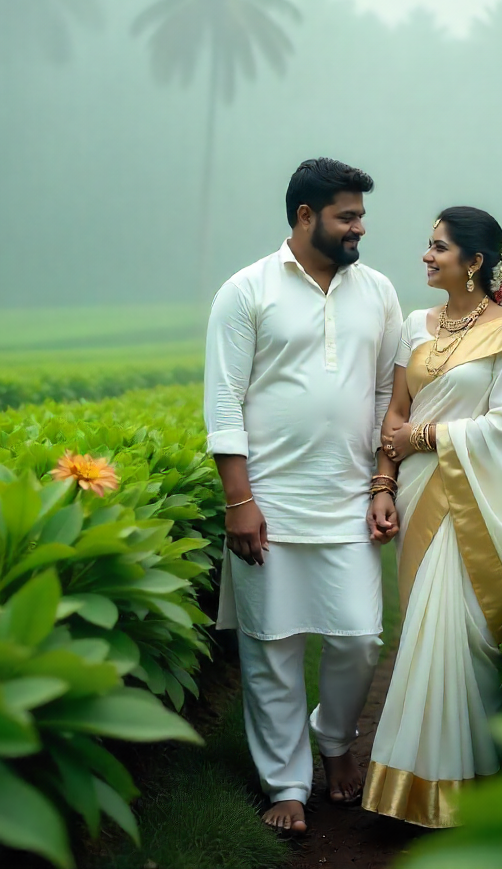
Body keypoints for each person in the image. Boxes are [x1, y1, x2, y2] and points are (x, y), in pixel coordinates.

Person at [204, 158, 403, 837]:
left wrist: (383, 482)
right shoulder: (245, 291)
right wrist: (239, 500)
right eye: (347, 216)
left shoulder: (378, 291)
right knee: (272, 647)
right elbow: (224, 399)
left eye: (360, 216)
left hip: (348, 500)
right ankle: (286, 784)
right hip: (269, 502)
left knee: (359, 637)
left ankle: (335, 736)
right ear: (304, 217)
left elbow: (386, 396)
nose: (359, 228)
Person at [361, 206, 502, 830]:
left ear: (474, 262)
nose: (427, 255)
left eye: (439, 247)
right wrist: (384, 483)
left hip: (469, 499)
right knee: (421, 631)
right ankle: (408, 788)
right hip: (416, 493)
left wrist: (430, 437)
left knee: (459, 638)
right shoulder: (416, 325)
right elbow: (394, 414)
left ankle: (470, 790)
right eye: (428, 244)